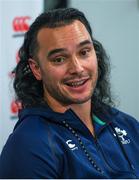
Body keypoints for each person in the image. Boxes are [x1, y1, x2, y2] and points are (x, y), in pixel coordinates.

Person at [0, 8, 139, 179]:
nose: (77, 68)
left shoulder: (128, 125)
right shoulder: (29, 145)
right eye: (59, 59)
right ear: (36, 69)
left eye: (84, 52)